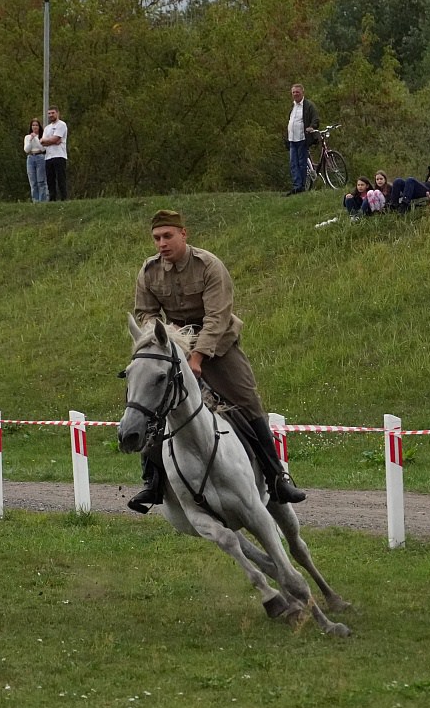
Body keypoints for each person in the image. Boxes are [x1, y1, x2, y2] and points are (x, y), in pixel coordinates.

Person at [129, 209, 306, 512]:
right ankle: (152, 482)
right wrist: (166, 336)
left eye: (168, 236)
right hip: (176, 348)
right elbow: (145, 313)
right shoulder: (148, 272)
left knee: (247, 401)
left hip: (219, 346)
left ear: (183, 234)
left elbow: (217, 318)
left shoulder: (209, 266)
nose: (162, 243)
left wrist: (198, 357)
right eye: (157, 238)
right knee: (155, 404)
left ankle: (277, 478)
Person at [285, 83, 320, 195]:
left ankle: (301, 186)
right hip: (292, 139)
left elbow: (315, 119)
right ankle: (296, 185)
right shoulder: (293, 106)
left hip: (302, 138)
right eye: (293, 92)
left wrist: (311, 127)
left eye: (297, 92)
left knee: (301, 163)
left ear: (302, 93)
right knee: (293, 163)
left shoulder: (308, 105)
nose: (295, 94)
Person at [40, 106, 69, 201]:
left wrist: (49, 141)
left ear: (57, 113)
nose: (51, 115)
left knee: (60, 178)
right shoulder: (47, 128)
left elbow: (56, 139)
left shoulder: (61, 125)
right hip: (48, 156)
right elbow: (43, 142)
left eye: (52, 113)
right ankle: (52, 199)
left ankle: (64, 198)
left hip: (59, 155)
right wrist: (50, 141)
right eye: (49, 113)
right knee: (50, 180)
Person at [24, 118, 49, 203]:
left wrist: (36, 139)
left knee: (41, 181)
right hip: (31, 157)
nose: (35, 127)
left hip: (40, 157)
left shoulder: (42, 137)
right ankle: (35, 200)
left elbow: (43, 149)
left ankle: (43, 200)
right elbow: (26, 150)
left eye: (36, 125)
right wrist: (31, 140)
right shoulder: (27, 137)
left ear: (39, 127)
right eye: (33, 125)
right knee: (33, 181)